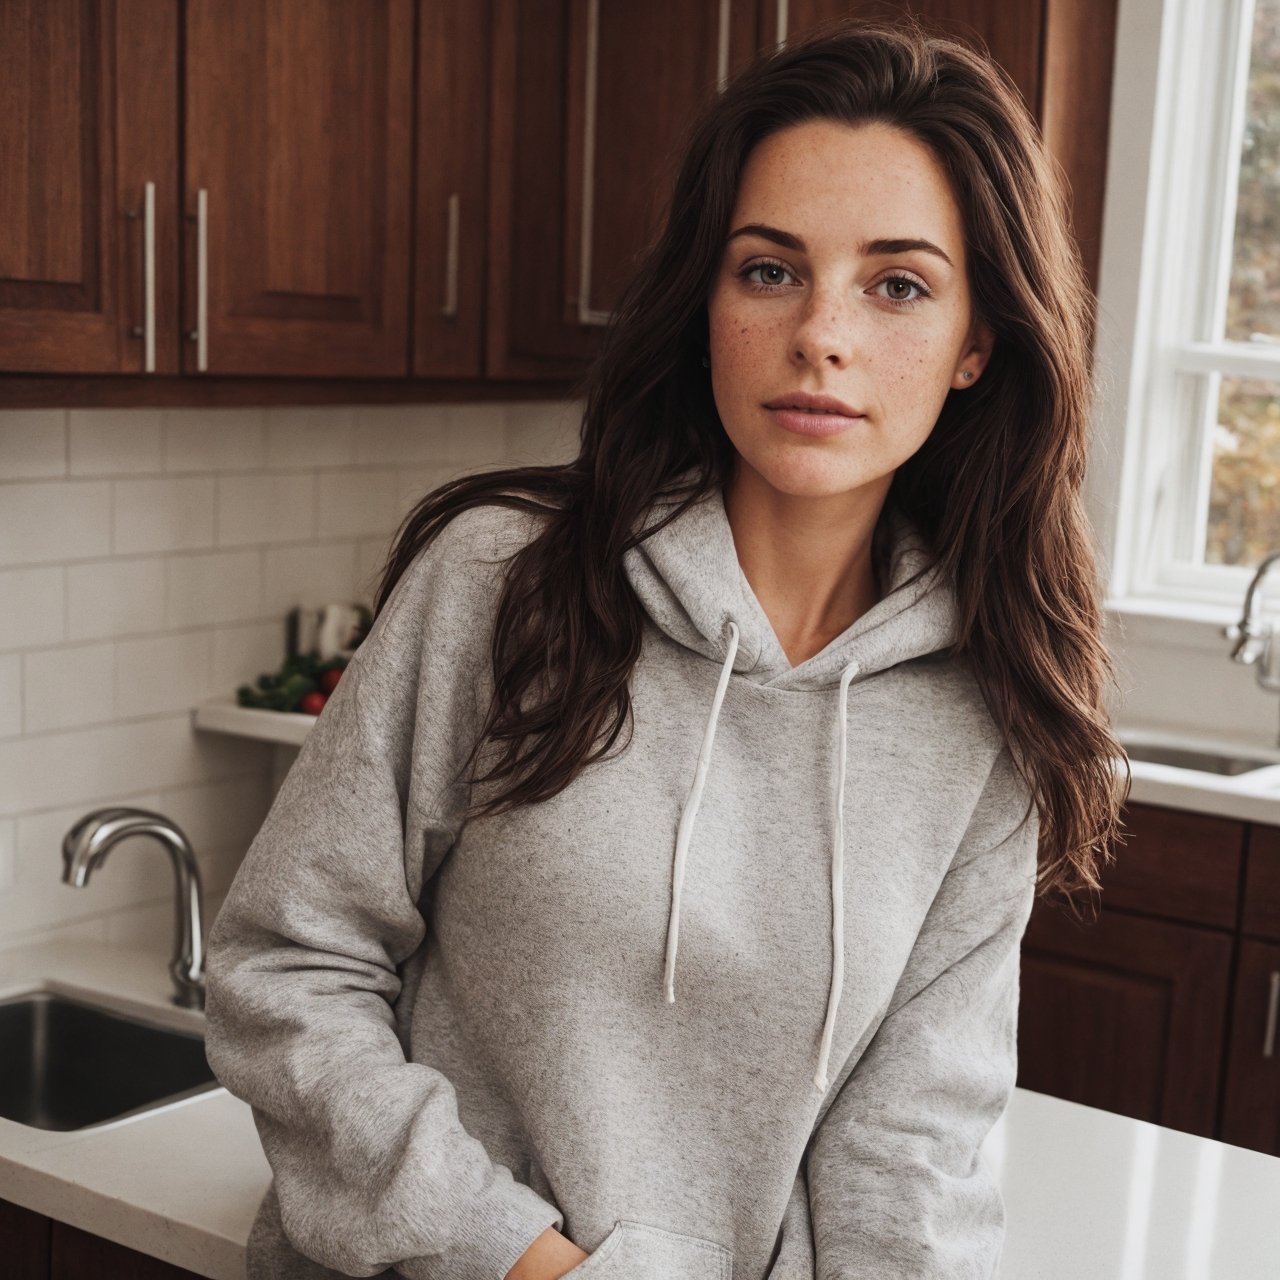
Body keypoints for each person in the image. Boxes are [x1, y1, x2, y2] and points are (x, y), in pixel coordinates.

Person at [204, 14, 1129, 1280]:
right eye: (768, 269)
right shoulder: (504, 581)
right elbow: (283, 966)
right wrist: (528, 1263)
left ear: (977, 342)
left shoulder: (989, 715)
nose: (822, 334)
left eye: (897, 284)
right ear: (704, 300)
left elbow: (907, 1157)